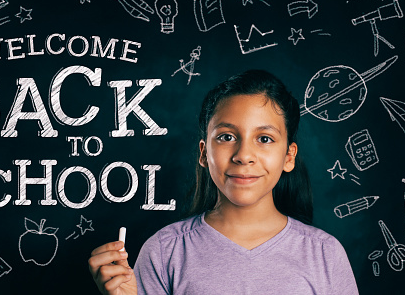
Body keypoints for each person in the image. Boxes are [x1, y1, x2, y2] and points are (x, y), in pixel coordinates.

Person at [88, 70, 359, 294]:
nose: (243, 155)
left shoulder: (325, 255)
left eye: (264, 139)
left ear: (289, 156)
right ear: (204, 153)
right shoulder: (165, 251)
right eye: (227, 137)